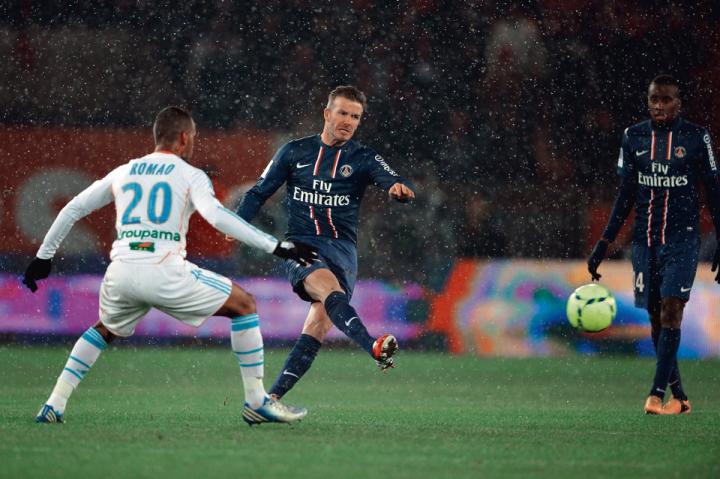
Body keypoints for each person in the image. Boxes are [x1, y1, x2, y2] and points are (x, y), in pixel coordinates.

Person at [22, 106, 317, 425]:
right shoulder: (190, 175)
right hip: (163, 269)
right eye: (194, 137)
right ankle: (257, 402)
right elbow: (217, 217)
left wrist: (43, 257)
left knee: (104, 329)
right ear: (184, 138)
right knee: (244, 305)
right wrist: (276, 246)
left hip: (121, 271)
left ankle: (54, 404)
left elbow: (72, 209)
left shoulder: (125, 171)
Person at [237, 85, 416, 400]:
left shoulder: (363, 157)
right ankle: (373, 346)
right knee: (330, 292)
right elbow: (258, 192)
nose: (348, 121)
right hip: (302, 247)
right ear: (327, 114)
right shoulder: (294, 152)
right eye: (343, 113)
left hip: (343, 254)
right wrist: (237, 222)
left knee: (317, 327)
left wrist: (398, 188)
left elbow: (393, 179)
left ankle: (270, 400)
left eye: (355, 117)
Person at [588, 75, 720, 415]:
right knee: (656, 319)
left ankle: (655, 395)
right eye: (654, 99)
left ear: (678, 103)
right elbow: (625, 196)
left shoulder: (696, 137)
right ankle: (680, 397)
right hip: (645, 243)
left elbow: (714, 190)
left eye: (665, 99)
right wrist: (603, 243)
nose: (659, 106)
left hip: (682, 241)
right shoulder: (633, 137)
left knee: (671, 310)